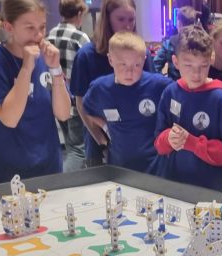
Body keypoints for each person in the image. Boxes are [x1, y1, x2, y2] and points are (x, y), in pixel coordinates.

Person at [0, 0, 70, 185]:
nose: (39, 35)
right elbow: (10, 118)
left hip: (48, 165)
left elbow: (63, 114)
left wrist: (56, 69)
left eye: (42, 27)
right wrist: (26, 69)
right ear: (8, 27)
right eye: (30, 28)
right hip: (8, 172)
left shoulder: (45, 58)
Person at [153, 25, 222, 191]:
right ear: (175, 62)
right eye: (188, 65)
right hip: (176, 183)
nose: (196, 74)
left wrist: (193, 143)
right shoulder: (170, 92)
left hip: (212, 189)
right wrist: (168, 139)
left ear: (211, 60)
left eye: (203, 66)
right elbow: (158, 144)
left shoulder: (220, 97)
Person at [71, 0, 153, 167]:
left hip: (139, 147)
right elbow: (81, 104)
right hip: (100, 144)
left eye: (131, 20)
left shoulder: (141, 53)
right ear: (107, 19)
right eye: (121, 19)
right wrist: (102, 141)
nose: (127, 26)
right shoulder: (86, 55)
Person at [84, 32, 172, 174]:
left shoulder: (159, 86)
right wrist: (105, 128)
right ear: (111, 60)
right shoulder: (99, 88)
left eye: (137, 65)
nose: (129, 72)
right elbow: (87, 110)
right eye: (123, 64)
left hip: (156, 167)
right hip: (119, 166)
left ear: (144, 60)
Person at [48, 0, 90, 172]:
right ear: (79, 14)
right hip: (75, 101)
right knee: (78, 150)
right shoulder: (80, 38)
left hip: (55, 98)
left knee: (70, 145)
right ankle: (67, 182)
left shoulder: (50, 35)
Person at [152, 5, 196, 81]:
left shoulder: (169, 43)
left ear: (179, 24)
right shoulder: (200, 43)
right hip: (195, 85)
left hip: (174, 85)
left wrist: (165, 82)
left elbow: (155, 66)